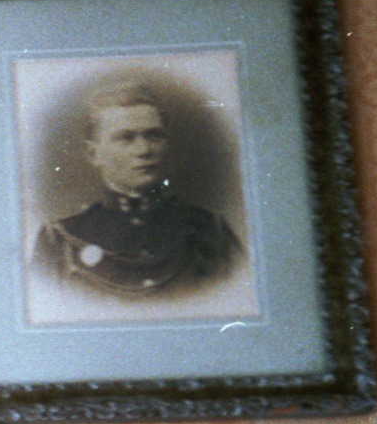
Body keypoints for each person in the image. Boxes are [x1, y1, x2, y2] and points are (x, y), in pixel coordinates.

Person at [34, 80, 242, 297]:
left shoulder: (210, 233)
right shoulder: (61, 241)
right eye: (126, 138)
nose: (144, 150)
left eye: (154, 136)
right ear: (93, 154)